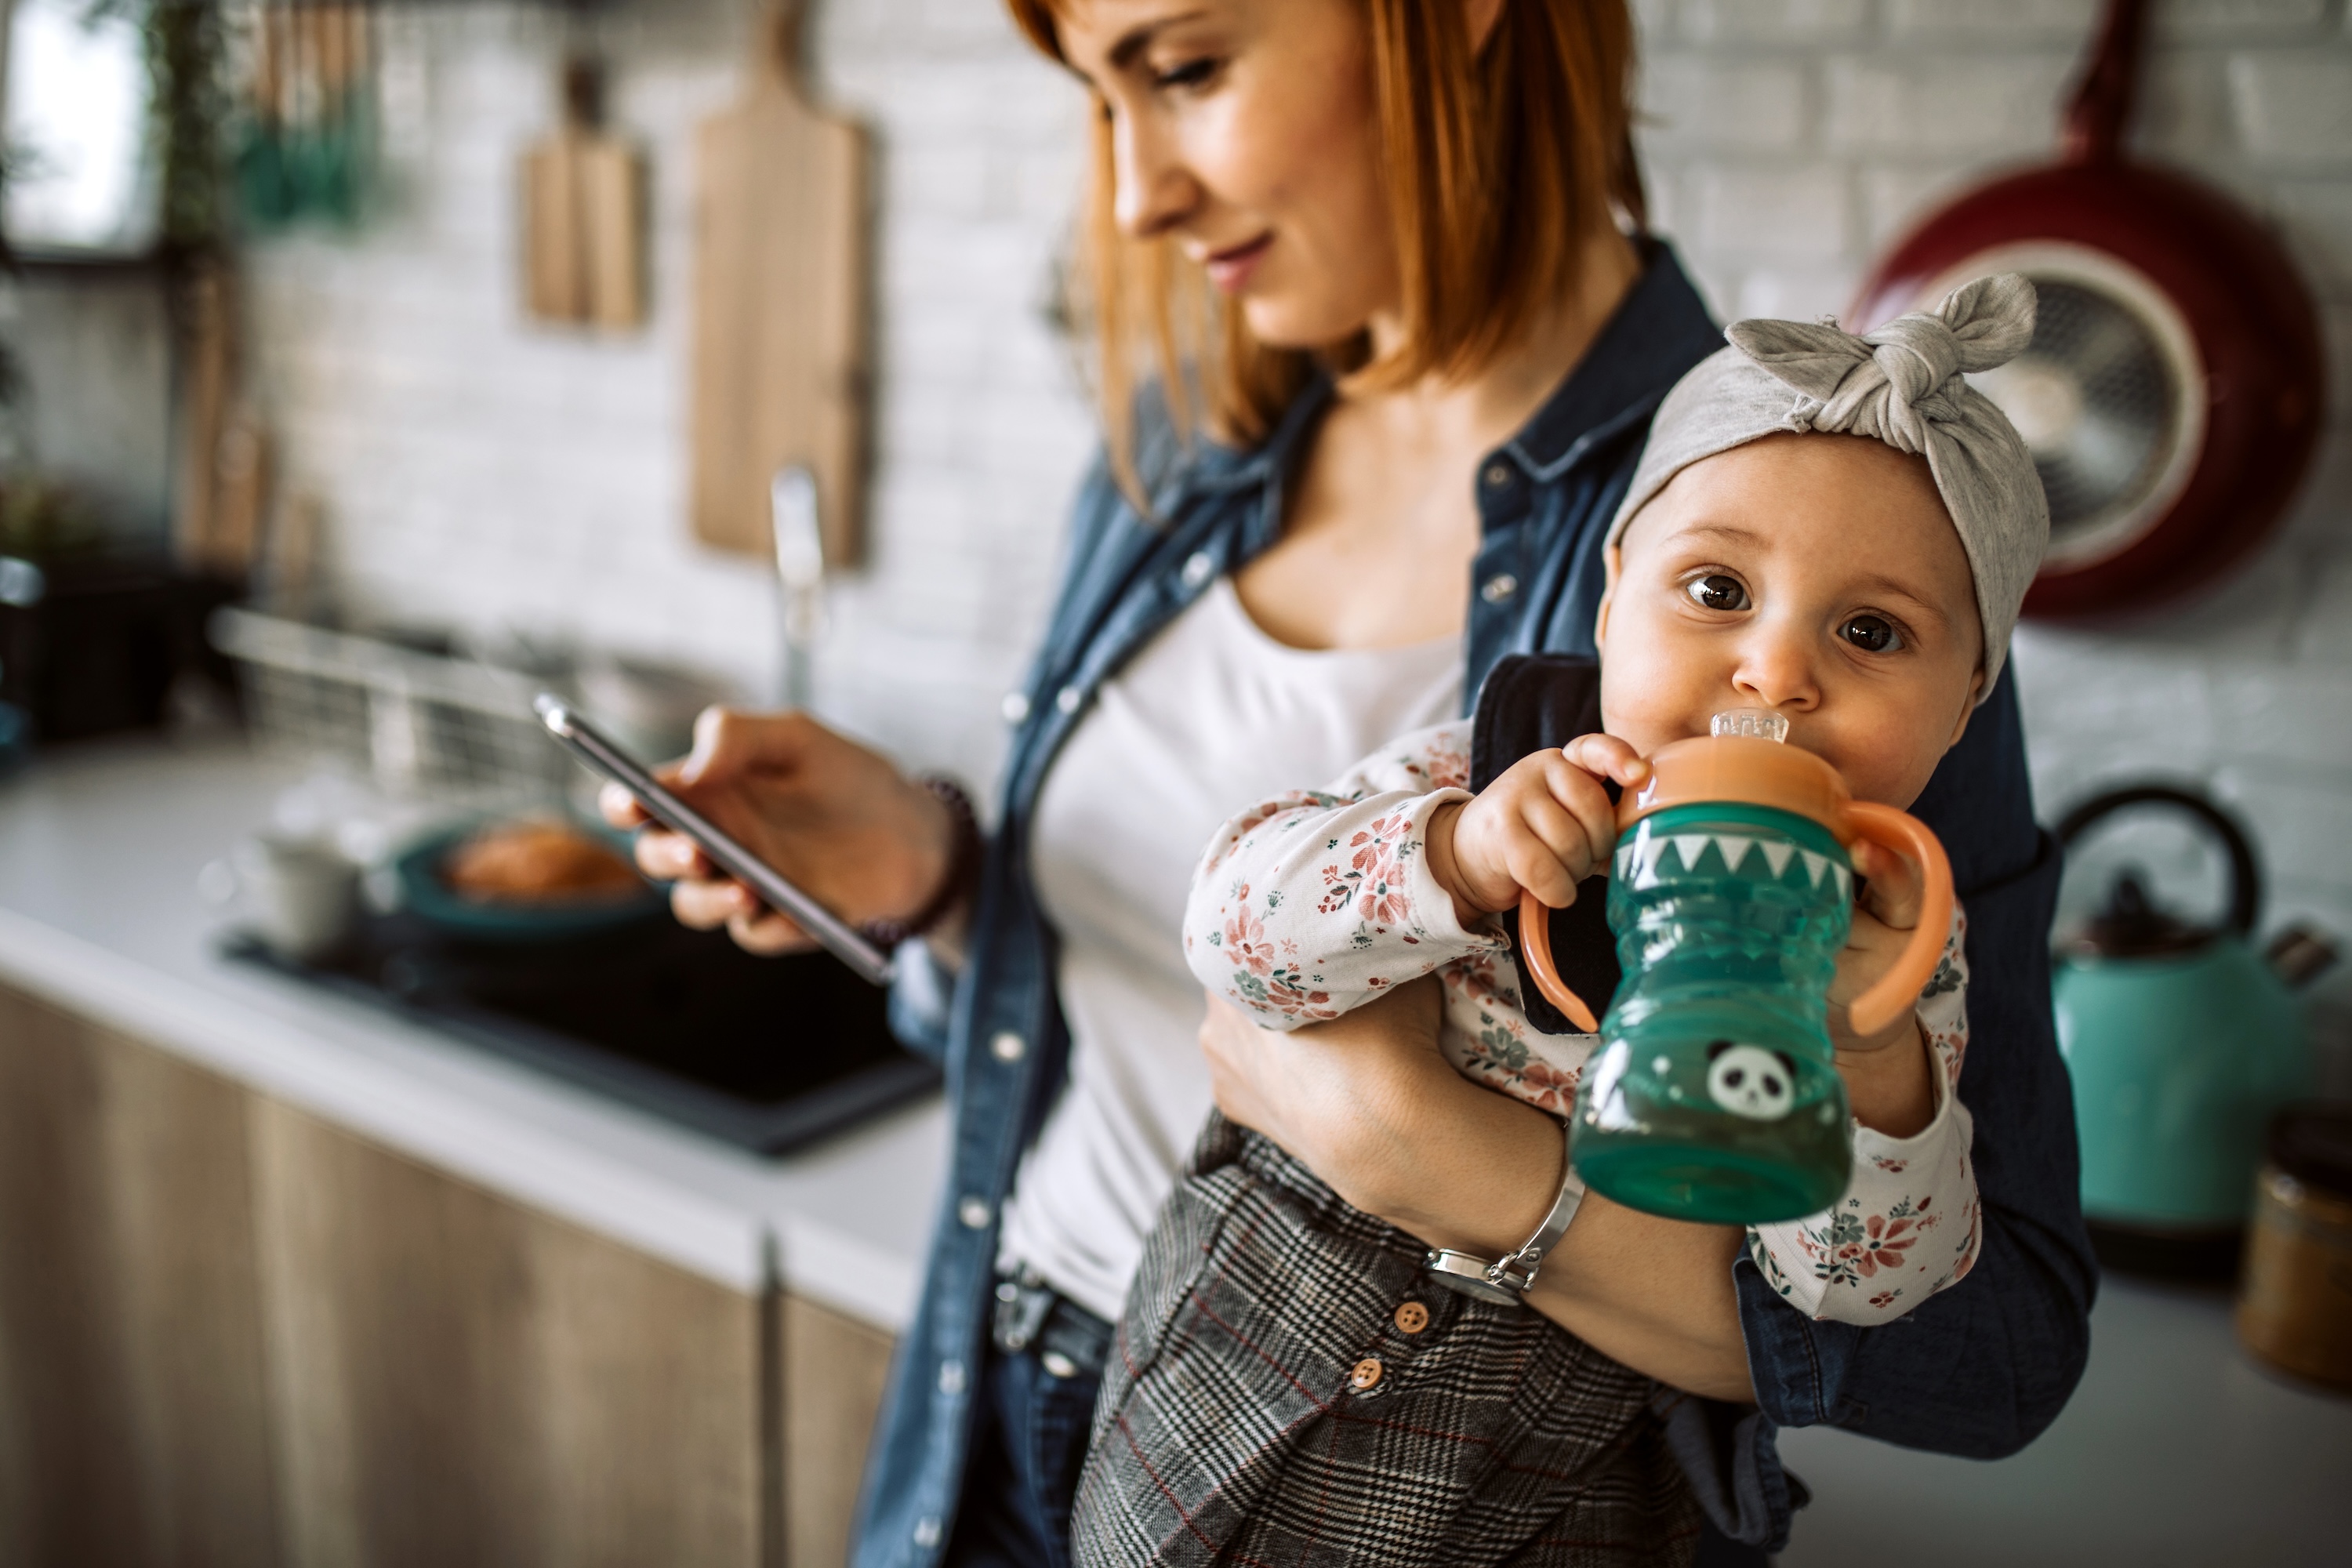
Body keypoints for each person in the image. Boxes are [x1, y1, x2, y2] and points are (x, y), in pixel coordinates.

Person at [604, 2, 2095, 1565]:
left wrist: (1430, 1157)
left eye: (1186, 70)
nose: (1135, 198)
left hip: (1440, 1499)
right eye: (1103, 100)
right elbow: (1134, 991)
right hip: (1011, 1410)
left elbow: (1991, 1357)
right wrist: (939, 881)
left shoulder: (1820, 556)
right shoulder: (1188, 439)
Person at [1072, 278, 2047, 1566]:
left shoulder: (1895, 947)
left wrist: (1869, 1062)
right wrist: (1457, 858)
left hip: (1564, 1478)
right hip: (1237, 1375)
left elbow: (1859, 1287)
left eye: (1872, 631)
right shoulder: (1484, 777)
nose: (1774, 669)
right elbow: (1234, 937)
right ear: (1611, 600)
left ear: (1965, 704)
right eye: (1714, 589)